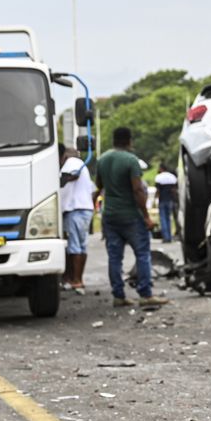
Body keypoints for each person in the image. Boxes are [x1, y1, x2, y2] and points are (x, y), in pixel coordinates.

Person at [95, 127, 169, 308]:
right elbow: (137, 189)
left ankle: (118, 296)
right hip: (130, 216)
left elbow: (99, 185)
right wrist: (146, 216)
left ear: (114, 140)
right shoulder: (131, 160)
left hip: (110, 215)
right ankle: (145, 294)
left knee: (114, 256)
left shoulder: (102, 160)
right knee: (142, 254)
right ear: (129, 140)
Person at [59, 143, 96, 294]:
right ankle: (75, 279)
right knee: (80, 245)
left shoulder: (72, 162)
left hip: (76, 210)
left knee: (74, 247)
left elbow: (71, 176)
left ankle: (76, 280)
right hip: (82, 209)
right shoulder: (79, 164)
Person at [154, 164, 179, 244]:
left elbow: (157, 191)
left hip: (162, 200)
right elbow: (174, 190)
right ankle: (169, 236)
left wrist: (155, 200)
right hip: (170, 200)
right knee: (169, 219)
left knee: (163, 219)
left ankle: (166, 237)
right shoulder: (172, 177)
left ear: (161, 169)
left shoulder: (159, 177)